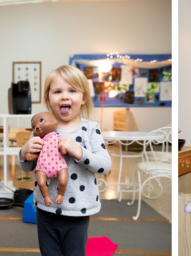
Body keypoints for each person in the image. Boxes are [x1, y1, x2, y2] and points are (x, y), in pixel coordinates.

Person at [19, 65, 112, 256]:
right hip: (46, 209)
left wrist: (78, 151)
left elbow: (105, 165)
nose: (64, 96)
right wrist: (24, 151)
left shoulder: (90, 128)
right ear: (48, 99)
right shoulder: (42, 129)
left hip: (78, 210)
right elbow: (28, 166)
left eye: (72, 91)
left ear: (83, 98)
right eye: (57, 91)